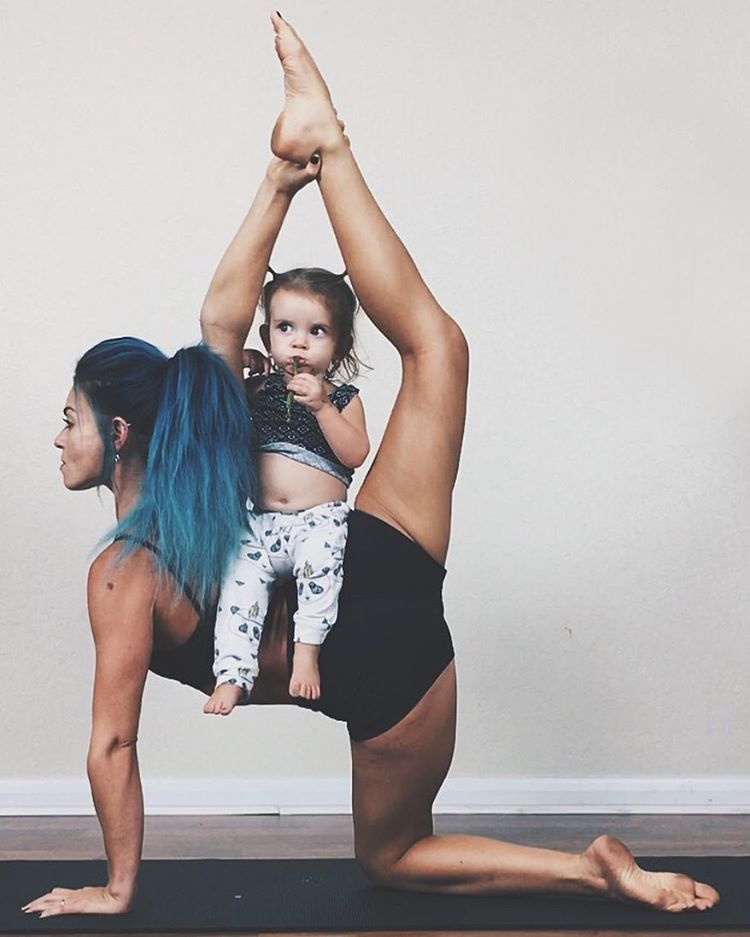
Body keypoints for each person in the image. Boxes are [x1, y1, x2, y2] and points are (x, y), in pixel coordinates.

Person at [23, 12, 719, 919]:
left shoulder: (127, 570)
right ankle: (328, 147)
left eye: (69, 417)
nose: (57, 436)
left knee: (395, 855)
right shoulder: (219, 468)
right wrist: (282, 182)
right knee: (438, 347)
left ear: (118, 435)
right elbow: (224, 324)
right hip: (386, 576)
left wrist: (116, 890)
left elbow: (112, 745)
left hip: (377, 669)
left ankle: (585, 867)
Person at [204, 265, 369, 713]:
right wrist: (240, 364)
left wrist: (321, 408)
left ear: (340, 345)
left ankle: (306, 655)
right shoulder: (260, 390)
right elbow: (221, 414)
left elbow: (355, 453)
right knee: (236, 589)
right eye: (285, 328)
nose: (299, 341)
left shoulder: (341, 398)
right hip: (259, 522)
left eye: (317, 331)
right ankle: (233, 674)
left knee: (321, 571)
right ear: (267, 335)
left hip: (317, 520)